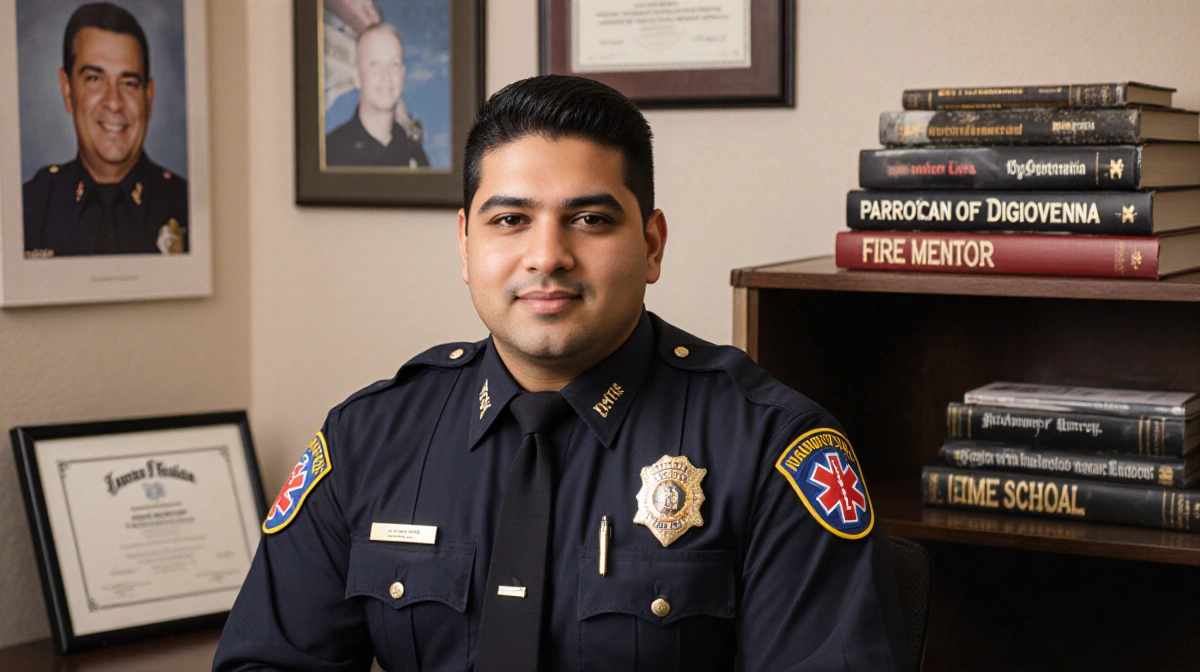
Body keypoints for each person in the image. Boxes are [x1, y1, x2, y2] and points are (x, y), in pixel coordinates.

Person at [214, 75, 905, 671]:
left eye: (590, 220)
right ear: (465, 244)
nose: (547, 255)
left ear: (652, 244)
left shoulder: (772, 449)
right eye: (510, 219)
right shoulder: (368, 440)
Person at [23, 2, 188, 258]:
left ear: (149, 95)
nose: (114, 102)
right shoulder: (28, 210)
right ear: (67, 91)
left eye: (129, 83)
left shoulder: (187, 207)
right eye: (95, 79)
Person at [324, 22, 429, 168]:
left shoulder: (416, 157)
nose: (386, 76)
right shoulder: (331, 154)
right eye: (374, 64)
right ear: (357, 77)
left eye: (394, 64)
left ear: (402, 75)